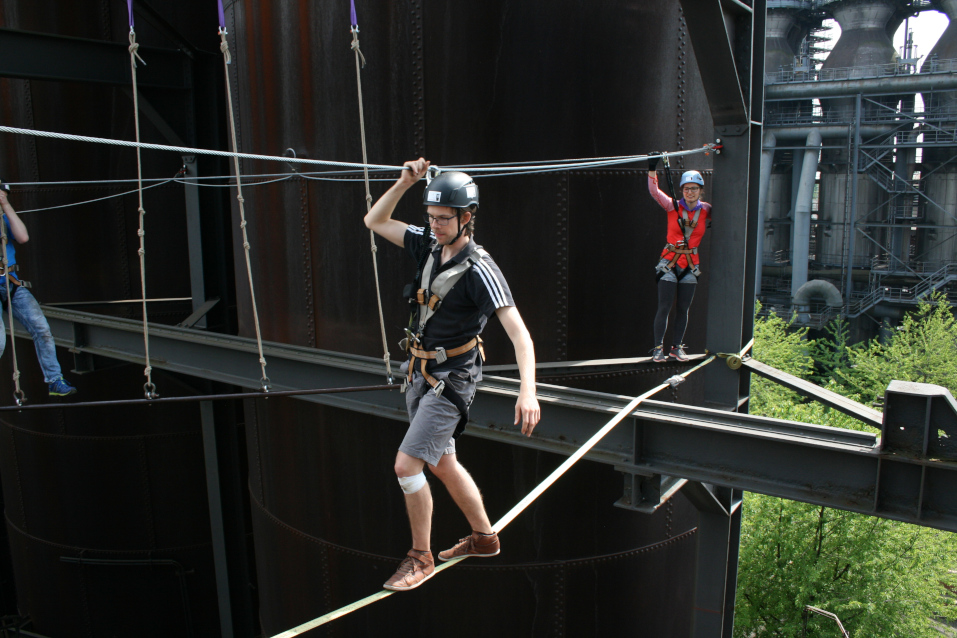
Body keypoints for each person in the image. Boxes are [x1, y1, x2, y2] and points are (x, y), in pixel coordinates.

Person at [364, 158, 540, 592]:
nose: (436, 225)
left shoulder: (480, 270)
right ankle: (484, 538)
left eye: (444, 218)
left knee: (406, 466)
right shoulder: (428, 244)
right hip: (420, 371)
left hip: (452, 379)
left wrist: (528, 393)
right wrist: (405, 182)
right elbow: (375, 221)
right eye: (431, 217)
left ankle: (419, 557)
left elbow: (520, 335)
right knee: (442, 462)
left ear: (467, 217)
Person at [0, 180, 77, 397]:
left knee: (41, 329)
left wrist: (6, 205)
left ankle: (55, 381)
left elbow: (23, 237)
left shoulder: (4, 219)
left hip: (11, 283)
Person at [646, 158, 711, 363]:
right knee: (664, 307)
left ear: (700, 191)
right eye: (686, 189)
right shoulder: (672, 206)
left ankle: (676, 347)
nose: (690, 192)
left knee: (683, 309)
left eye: (694, 189)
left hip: (690, 266)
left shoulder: (706, 210)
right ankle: (658, 348)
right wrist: (652, 168)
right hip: (669, 263)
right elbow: (654, 192)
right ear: (682, 190)